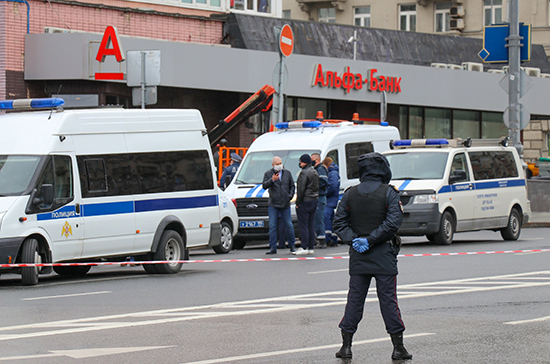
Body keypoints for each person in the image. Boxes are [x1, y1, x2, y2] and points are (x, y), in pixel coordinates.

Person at [332, 152, 411, 361]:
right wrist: (372, 239)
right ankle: (398, 348)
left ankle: (346, 347)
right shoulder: (389, 193)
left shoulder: (350, 193)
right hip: (384, 253)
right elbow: (393, 222)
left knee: (354, 301)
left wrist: (356, 240)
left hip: (358, 256)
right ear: (383, 170)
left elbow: (339, 223)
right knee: (388, 301)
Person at [262, 156, 296, 254]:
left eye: (280, 163)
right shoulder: (268, 174)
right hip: (273, 203)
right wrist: (272, 180)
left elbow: (292, 186)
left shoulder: (287, 173)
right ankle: (273, 247)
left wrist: (289, 196)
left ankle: (292, 245)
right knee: (272, 226)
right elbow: (264, 185)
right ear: (273, 165)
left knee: (289, 225)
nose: (279, 166)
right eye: (277, 164)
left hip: (285, 203)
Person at [293, 154, 319, 256]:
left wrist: (298, 202)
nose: (300, 163)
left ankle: (304, 246)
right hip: (314, 199)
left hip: (305, 200)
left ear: (305, 162)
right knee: (311, 224)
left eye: (301, 162)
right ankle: (311, 247)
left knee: (303, 225)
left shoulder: (304, 173)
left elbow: (301, 189)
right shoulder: (314, 171)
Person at [311, 153, 328, 249]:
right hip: (318, 196)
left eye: (312, 159)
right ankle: (319, 238)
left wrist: (313, 186)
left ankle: (322, 240)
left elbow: (323, 182)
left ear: (317, 160)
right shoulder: (317, 169)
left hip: (320, 196)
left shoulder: (320, 169)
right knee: (316, 218)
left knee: (319, 218)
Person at [323, 157, 340, 247]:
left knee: (326, 217)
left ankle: (328, 237)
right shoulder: (334, 172)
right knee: (331, 218)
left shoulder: (332, 173)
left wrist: (324, 192)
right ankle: (334, 238)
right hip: (332, 199)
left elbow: (332, 186)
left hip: (330, 199)